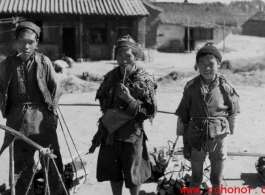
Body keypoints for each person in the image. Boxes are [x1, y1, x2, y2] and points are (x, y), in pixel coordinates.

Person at [0, 21, 64, 195]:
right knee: (21, 165)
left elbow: (56, 88)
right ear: (15, 41)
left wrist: (52, 109)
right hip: (16, 120)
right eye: (22, 41)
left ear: (36, 43)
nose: (26, 46)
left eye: (31, 42)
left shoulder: (44, 62)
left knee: (51, 161)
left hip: (43, 119)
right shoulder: (6, 65)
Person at [89, 35, 157, 195]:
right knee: (114, 173)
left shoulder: (145, 79)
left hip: (132, 134)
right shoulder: (110, 78)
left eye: (128, 55)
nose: (123, 59)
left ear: (136, 56)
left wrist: (129, 99)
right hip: (110, 133)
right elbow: (103, 104)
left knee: (134, 175)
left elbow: (148, 111)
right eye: (120, 55)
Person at [175, 43, 240, 195]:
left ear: (219, 63)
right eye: (202, 64)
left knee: (216, 179)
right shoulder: (191, 87)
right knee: (196, 178)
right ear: (197, 65)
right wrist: (185, 143)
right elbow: (183, 115)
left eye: (211, 63)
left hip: (219, 137)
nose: (207, 68)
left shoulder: (226, 87)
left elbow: (233, 111)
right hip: (196, 137)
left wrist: (230, 130)